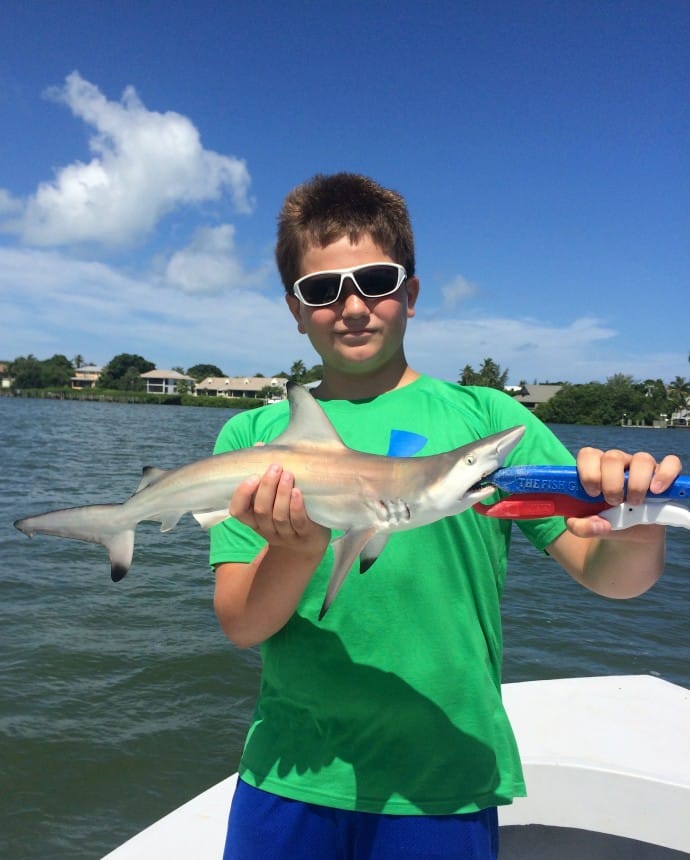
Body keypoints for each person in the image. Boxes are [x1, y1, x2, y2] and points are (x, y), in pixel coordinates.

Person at [209, 173, 681, 859]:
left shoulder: (490, 420)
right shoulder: (254, 441)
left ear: (411, 293)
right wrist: (299, 547)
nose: (352, 306)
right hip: (291, 769)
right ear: (295, 308)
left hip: (445, 776)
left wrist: (637, 528)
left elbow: (605, 572)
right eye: (322, 289)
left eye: (375, 280)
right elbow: (241, 623)